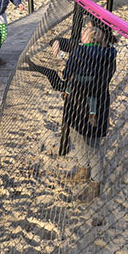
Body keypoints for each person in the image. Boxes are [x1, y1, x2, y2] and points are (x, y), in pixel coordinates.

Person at [37, 18, 117, 203]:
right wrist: (61, 47)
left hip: (86, 106)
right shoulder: (104, 55)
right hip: (89, 106)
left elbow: (68, 74)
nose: (81, 33)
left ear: (91, 37)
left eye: (86, 30)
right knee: (77, 136)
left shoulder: (83, 54)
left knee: (92, 146)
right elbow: (79, 71)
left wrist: (64, 58)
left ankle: (95, 184)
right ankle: (83, 170)